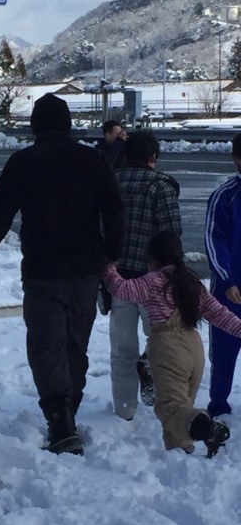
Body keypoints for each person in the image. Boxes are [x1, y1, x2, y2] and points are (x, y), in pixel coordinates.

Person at [0, 93, 124, 455]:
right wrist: (112, 254)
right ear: (68, 124)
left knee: (46, 343)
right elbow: (114, 211)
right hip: (86, 270)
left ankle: (60, 420)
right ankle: (68, 409)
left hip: (43, 270)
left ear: (35, 126)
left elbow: (0, 212)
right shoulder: (93, 160)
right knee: (75, 342)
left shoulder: (23, 161)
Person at [103, 231, 236, 457]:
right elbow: (220, 315)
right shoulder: (192, 282)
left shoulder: (154, 280)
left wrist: (108, 268)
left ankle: (207, 429)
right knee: (183, 405)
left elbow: (122, 290)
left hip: (168, 347)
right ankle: (181, 452)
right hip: (194, 348)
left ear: (153, 258)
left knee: (170, 408)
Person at [110, 129, 182, 420]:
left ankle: (125, 409)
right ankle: (167, 402)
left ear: (126, 156)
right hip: (154, 281)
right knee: (161, 341)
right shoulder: (161, 186)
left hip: (118, 278)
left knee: (122, 347)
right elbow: (172, 234)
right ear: (154, 157)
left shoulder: (111, 183)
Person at [204, 132, 241, 418]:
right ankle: (218, 405)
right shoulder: (224, 197)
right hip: (230, 292)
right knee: (224, 350)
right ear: (236, 159)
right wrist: (227, 280)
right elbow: (215, 241)